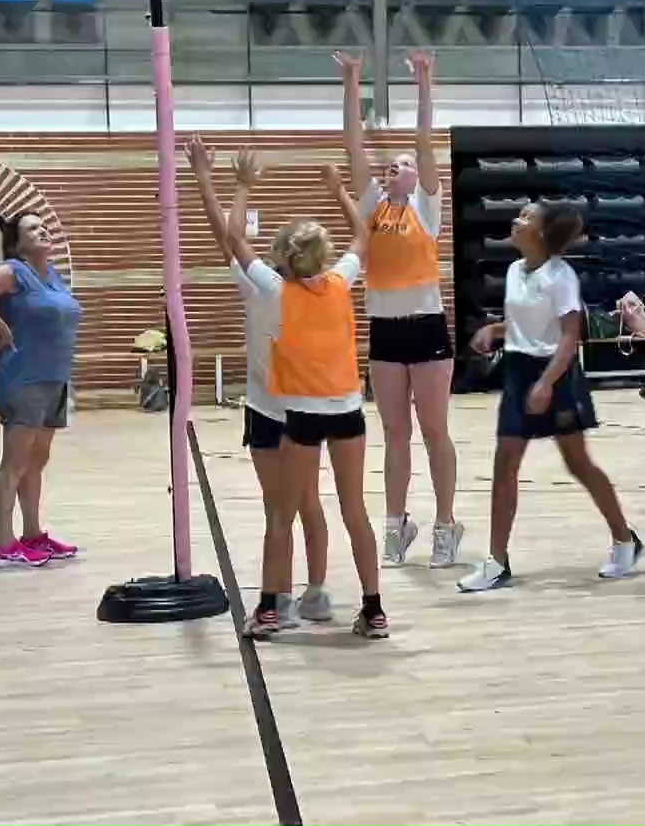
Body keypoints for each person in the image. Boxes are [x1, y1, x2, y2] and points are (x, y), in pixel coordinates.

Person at [227, 150, 389, 639]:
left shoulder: (277, 290)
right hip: (347, 411)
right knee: (354, 509)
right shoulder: (341, 282)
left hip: (301, 414)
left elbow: (233, 238)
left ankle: (269, 612)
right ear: (322, 256)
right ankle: (374, 610)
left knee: (282, 513)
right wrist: (339, 189)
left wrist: (243, 184)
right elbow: (364, 235)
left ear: (286, 258)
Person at [457, 201, 645, 591]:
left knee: (578, 464)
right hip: (517, 370)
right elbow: (526, 321)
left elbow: (569, 336)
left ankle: (625, 540)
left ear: (541, 235)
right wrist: (495, 330)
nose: (516, 220)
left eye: (526, 218)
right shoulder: (513, 270)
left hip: (556, 376)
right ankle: (496, 562)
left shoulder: (561, 277)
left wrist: (546, 383)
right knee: (504, 463)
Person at [186, 135, 333, 625]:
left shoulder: (264, 288)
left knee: (282, 509)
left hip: (275, 413)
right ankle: (315, 592)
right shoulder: (328, 290)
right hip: (301, 411)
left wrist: (228, 182)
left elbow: (226, 236)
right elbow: (228, 238)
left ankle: (281, 602)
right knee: (307, 502)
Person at [339, 49, 462, 569]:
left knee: (434, 430)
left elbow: (424, 143)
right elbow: (354, 143)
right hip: (385, 331)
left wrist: (425, 82)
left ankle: (445, 523)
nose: (398, 166)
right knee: (394, 433)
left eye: (406, 164)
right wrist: (352, 81)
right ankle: (396, 524)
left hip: (427, 329)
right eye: (393, 166)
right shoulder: (371, 206)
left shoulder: (427, 207)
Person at [0, 210, 83, 569]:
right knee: (15, 462)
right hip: (23, 378)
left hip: (54, 378)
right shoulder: (13, 271)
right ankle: (3, 545)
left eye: (43, 225)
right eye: (32, 228)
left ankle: (32, 535)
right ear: (17, 243)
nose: (42, 230)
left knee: (36, 462)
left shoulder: (53, 275)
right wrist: (0, 327)